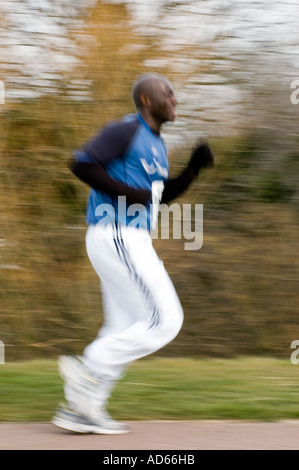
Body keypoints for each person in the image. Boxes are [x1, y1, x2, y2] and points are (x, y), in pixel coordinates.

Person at [52, 73, 214, 434]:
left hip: (126, 237)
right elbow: (81, 163)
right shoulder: (125, 130)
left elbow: (159, 196)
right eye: (167, 93)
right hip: (118, 234)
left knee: (124, 326)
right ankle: (90, 368)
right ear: (146, 100)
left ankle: (82, 409)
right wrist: (127, 193)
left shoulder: (156, 144)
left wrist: (193, 169)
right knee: (165, 320)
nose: (175, 98)